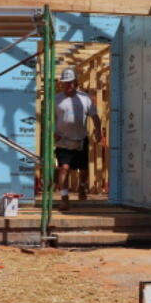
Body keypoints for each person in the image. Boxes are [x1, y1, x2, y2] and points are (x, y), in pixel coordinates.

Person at [54, 67, 103, 210]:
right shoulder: (57, 99)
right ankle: (64, 199)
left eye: (70, 83)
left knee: (83, 169)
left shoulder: (84, 98)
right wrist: (52, 131)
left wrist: (98, 131)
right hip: (62, 139)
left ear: (76, 83)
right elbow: (50, 118)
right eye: (65, 83)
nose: (67, 85)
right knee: (64, 168)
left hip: (80, 139)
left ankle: (82, 186)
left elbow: (95, 117)